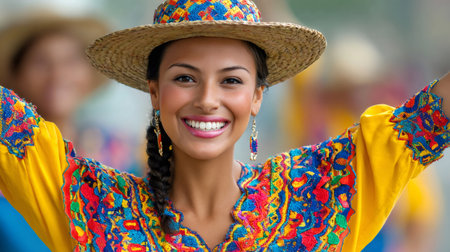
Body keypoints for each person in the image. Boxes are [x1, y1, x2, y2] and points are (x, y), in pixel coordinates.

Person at [0, 0, 449, 251]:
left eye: (231, 80)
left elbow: (430, 118)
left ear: (257, 96)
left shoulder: (320, 193)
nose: (207, 99)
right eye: (184, 78)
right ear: (154, 92)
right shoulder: (92, 205)